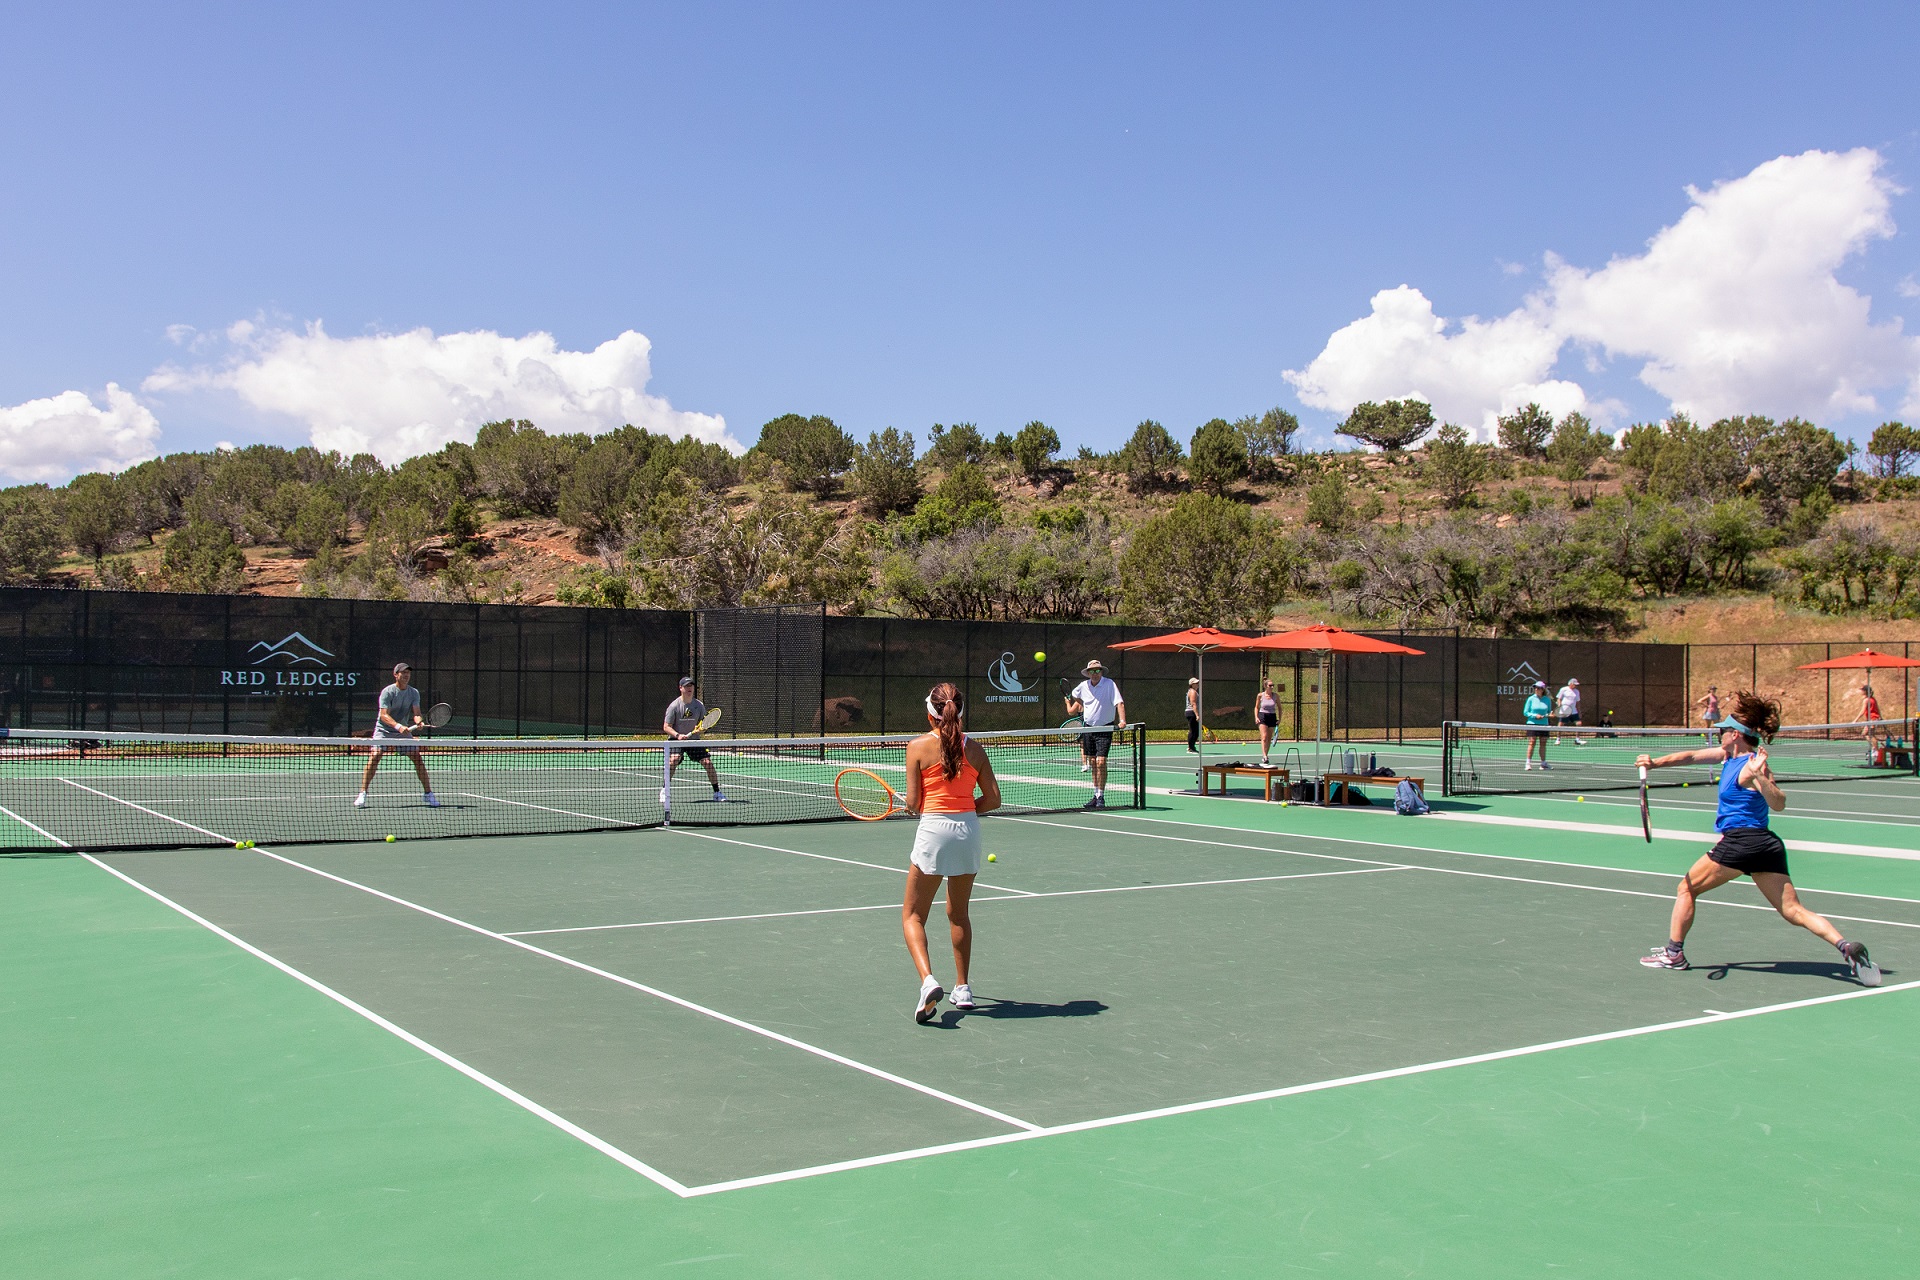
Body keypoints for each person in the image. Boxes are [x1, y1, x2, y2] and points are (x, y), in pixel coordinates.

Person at [1636, 691, 1880, 985]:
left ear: (1736, 735)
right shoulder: (1728, 755)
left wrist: (1759, 777)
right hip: (1766, 846)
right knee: (1793, 911)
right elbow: (1689, 756)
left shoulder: (1754, 766)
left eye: (1724, 730)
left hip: (1742, 843)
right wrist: (1654, 763)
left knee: (1686, 889)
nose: (1719, 734)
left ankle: (1674, 954)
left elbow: (1778, 803)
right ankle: (1846, 948)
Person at [903, 682, 1003, 1023]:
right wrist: (964, 809)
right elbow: (992, 800)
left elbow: (915, 803)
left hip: (934, 832)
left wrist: (912, 807)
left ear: (930, 714)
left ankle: (928, 981)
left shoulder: (916, 747)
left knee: (913, 916)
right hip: (968, 832)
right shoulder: (975, 749)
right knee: (958, 913)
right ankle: (962, 988)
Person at [355, 662, 438, 808]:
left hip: (403, 732)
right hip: (384, 731)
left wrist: (418, 722)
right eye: (403, 673)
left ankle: (428, 794)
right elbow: (383, 715)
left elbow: (417, 714)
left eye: (408, 673)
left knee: (417, 758)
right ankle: (362, 793)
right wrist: (398, 726)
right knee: (375, 757)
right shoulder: (387, 692)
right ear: (396, 675)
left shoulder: (414, 693)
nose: (406, 675)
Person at [1066, 659, 1126, 809]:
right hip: (1088, 728)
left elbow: (1119, 703)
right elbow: (1075, 695)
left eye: (1097, 670)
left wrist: (1122, 720)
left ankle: (1101, 796)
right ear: (1088, 673)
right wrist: (1084, 703)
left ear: (1101, 672)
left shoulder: (1109, 684)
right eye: (1092, 671)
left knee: (1101, 762)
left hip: (1105, 728)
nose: (1094, 673)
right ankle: (1095, 794)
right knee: (1092, 762)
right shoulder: (1083, 686)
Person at [662, 676, 726, 804]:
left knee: (707, 762)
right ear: (681, 688)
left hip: (694, 740)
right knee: (673, 760)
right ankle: (665, 790)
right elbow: (666, 727)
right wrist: (678, 735)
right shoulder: (674, 706)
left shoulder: (698, 705)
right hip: (676, 740)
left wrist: (701, 730)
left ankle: (717, 792)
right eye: (686, 686)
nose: (689, 688)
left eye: (691, 686)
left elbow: (704, 724)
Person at [1522, 679, 1552, 770]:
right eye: (1535, 687)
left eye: (1538, 688)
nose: (1536, 689)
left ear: (1542, 689)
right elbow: (1525, 712)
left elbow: (1549, 712)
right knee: (1532, 742)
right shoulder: (1530, 699)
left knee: (1543, 743)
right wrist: (1535, 716)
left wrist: (1551, 714)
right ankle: (1528, 763)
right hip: (1532, 724)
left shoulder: (1547, 700)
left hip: (1544, 725)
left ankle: (1543, 763)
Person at [1256, 677, 1280, 766]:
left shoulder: (1276, 696)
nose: (1272, 687)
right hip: (1262, 716)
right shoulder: (1260, 695)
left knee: (1269, 738)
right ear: (1266, 686)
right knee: (1264, 737)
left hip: (1272, 716)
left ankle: (1266, 754)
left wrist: (1279, 719)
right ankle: (1265, 756)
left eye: (1273, 685)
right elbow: (1256, 707)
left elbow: (1280, 708)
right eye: (1270, 685)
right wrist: (1256, 717)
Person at [1553, 677, 1583, 746]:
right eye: (1574, 684)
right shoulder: (1563, 689)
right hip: (1564, 711)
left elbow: (1578, 702)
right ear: (1571, 684)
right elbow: (1559, 699)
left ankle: (1577, 739)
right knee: (1560, 725)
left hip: (1574, 712)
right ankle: (1558, 739)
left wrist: (1579, 712)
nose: (1575, 686)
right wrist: (1559, 705)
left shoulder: (1577, 691)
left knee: (1579, 723)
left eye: (1576, 684)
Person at [1184, 677, 1201, 754]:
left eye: (1198, 683)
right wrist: (1197, 715)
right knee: (1193, 731)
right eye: (1196, 683)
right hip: (1191, 713)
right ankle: (1190, 748)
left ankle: (1191, 746)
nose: (1197, 684)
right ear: (1191, 684)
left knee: (1196, 731)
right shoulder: (1192, 692)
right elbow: (1193, 703)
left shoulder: (1193, 691)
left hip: (1191, 712)